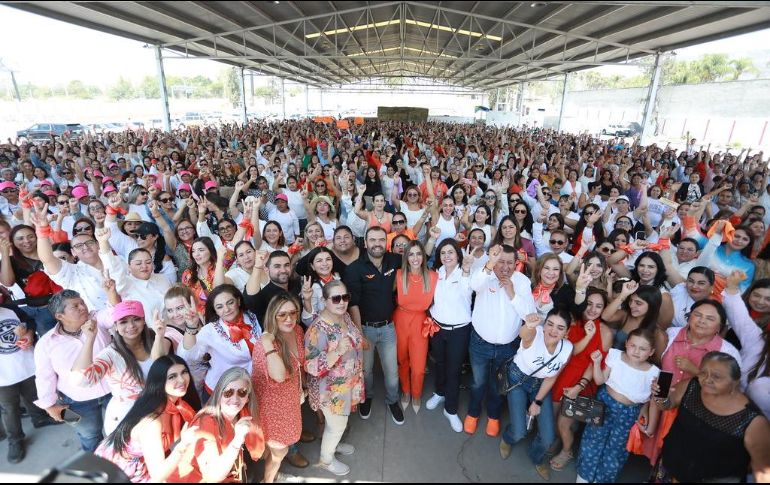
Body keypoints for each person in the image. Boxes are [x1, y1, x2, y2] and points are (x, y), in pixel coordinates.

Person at [641, 299, 741, 465]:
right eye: (697, 315)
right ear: (689, 317)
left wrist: (695, 370)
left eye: (710, 318)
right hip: (661, 408)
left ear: (720, 326)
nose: (702, 321)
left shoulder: (727, 352)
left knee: (680, 461)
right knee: (659, 456)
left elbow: (729, 391)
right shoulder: (671, 334)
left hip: (695, 418)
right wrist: (648, 404)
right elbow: (655, 370)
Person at [650, 352, 770, 483]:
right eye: (703, 373)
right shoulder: (692, 386)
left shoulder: (752, 421)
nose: (707, 379)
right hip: (669, 471)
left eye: (716, 376)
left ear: (735, 382)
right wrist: (660, 396)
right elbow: (667, 405)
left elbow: (763, 471)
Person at [465, 244, 536, 436]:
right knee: (478, 382)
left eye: (509, 262)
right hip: (480, 343)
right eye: (500, 261)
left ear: (516, 264)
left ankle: (494, 416)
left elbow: (530, 314)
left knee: (498, 385)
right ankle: (473, 412)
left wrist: (511, 292)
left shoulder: (521, 282)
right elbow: (474, 285)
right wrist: (490, 264)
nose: (505, 267)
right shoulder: (485, 274)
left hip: (508, 346)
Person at [95, 355, 201, 483]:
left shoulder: (176, 403)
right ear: (159, 381)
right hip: (119, 472)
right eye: (172, 376)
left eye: (184, 372)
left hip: (142, 463)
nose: (182, 380)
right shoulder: (152, 422)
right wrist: (183, 445)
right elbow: (157, 476)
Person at [71, 301, 171, 434]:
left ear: (144, 321)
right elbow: (82, 381)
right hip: (128, 419)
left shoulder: (156, 338)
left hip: (160, 411)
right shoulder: (111, 355)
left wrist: (159, 337)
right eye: (123, 322)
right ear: (115, 327)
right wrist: (90, 339)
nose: (131, 326)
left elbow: (161, 365)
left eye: (136, 319)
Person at [34, 290, 115, 452]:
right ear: (59, 316)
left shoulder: (97, 319)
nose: (83, 307)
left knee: (124, 426)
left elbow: (115, 313)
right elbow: (44, 377)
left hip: (113, 390)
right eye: (75, 306)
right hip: (76, 401)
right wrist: (50, 406)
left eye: (82, 303)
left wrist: (111, 291)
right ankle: (99, 469)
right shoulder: (46, 343)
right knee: (89, 436)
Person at [575, 329, 660, 483]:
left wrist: (645, 412)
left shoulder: (654, 372)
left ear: (651, 352)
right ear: (626, 343)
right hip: (604, 404)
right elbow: (600, 380)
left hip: (629, 413)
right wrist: (596, 363)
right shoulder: (615, 355)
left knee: (616, 450)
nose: (636, 351)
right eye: (633, 345)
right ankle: (583, 477)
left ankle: (602, 480)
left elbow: (649, 399)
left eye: (643, 349)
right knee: (592, 440)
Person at [499, 310, 574, 481]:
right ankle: (508, 438)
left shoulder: (567, 348)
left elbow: (552, 377)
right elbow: (524, 334)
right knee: (519, 432)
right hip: (518, 379)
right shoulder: (535, 334)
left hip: (540, 385)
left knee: (548, 438)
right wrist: (529, 326)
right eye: (550, 324)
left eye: (560, 328)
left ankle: (536, 457)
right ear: (544, 324)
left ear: (566, 333)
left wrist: (537, 402)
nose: (553, 330)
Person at [343, 226, 404, 425]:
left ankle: (393, 400)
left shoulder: (394, 260)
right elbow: (353, 303)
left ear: (385, 242)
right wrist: (360, 333)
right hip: (366, 328)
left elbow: (417, 261)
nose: (377, 244)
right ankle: (367, 397)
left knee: (391, 371)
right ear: (365, 242)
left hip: (388, 327)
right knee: (366, 371)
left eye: (381, 240)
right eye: (373, 240)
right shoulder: (354, 269)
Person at [549, 287, 613, 471]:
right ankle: (559, 438)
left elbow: (594, 365)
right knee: (554, 418)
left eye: (598, 306)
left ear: (603, 309)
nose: (593, 310)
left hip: (584, 381)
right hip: (561, 375)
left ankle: (567, 450)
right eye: (589, 304)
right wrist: (588, 335)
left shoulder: (606, 332)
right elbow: (570, 352)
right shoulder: (573, 323)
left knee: (564, 422)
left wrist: (579, 385)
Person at [304, 281, 364, 476]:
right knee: (337, 425)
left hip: (347, 383)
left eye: (345, 297)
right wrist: (337, 351)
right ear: (324, 300)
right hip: (330, 390)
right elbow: (310, 365)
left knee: (337, 424)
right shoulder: (318, 329)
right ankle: (326, 459)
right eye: (336, 298)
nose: (342, 302)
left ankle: (334, 444)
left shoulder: (344, 316)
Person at [168, 368, 265, 483]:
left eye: (242, 392)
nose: (235, 399)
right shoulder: (206, 423)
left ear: (247, 398)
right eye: (228, 392)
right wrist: (237, 440)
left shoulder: (241, 419)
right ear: (219, 394)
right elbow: (213, 476)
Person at [251, 293, 305, 483]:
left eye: (292, 312)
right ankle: (267, 480)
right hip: (272, 409)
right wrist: (267, 342)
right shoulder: (264, 345)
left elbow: (299, 363)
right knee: (279, 450)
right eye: (282, 314)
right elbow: (280, 375)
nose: (289, 319)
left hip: (290, 401)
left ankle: (271, 474)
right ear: (272, 316)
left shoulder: (297, 331)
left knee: (275, 450)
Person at [177, 284, 261, 400]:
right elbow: (188, 355)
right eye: (220, 307)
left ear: (238, 301)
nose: (226, 309)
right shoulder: (211, 331)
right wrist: (191, 327)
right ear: (215, 311)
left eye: (230, 302)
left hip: (251, 389)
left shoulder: (253, 318)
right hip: (220, 393)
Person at [425, 240, 475, 432]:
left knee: (454, 370)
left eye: (451, 252)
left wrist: (467, 269)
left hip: (459, 330)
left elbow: (465, 291)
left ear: (458, 255)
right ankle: (439, 392)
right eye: (443, 253)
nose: (446, 256)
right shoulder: (437, 274)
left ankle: (451, 409)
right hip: (437, 328)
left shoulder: (465, 273)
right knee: (439, 363)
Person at [0, 306, 59, 463]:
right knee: (9, 409)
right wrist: (14, 335)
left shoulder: (10, 310)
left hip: (27, 364)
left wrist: (28, 334)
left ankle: (40, 418)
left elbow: (30, 321)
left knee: (34, 395)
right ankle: (15, 440)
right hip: (3, 377)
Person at [394, 241, 438, 413]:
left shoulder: (433, 277)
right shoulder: (398, 275)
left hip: (420, 321)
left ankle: (417, 393)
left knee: (419, 367)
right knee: (402, 360)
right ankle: (405, 391)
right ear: (406, 257)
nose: (415, 258)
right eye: (411, 254)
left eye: (418, 254)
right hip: (400, 319)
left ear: (424, 256)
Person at [723, 270, 770, 418]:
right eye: (757, 295)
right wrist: (731, 287)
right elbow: (739, 316)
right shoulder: (757, 339)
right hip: (732, 406)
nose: (761, 302)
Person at [244, 250, 298, 324]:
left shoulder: (297, 285)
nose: (283, 270)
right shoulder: (265, 295)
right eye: (277, 266)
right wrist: (258, 267)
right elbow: (251, 299)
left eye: (286, 265)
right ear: (267, 270)